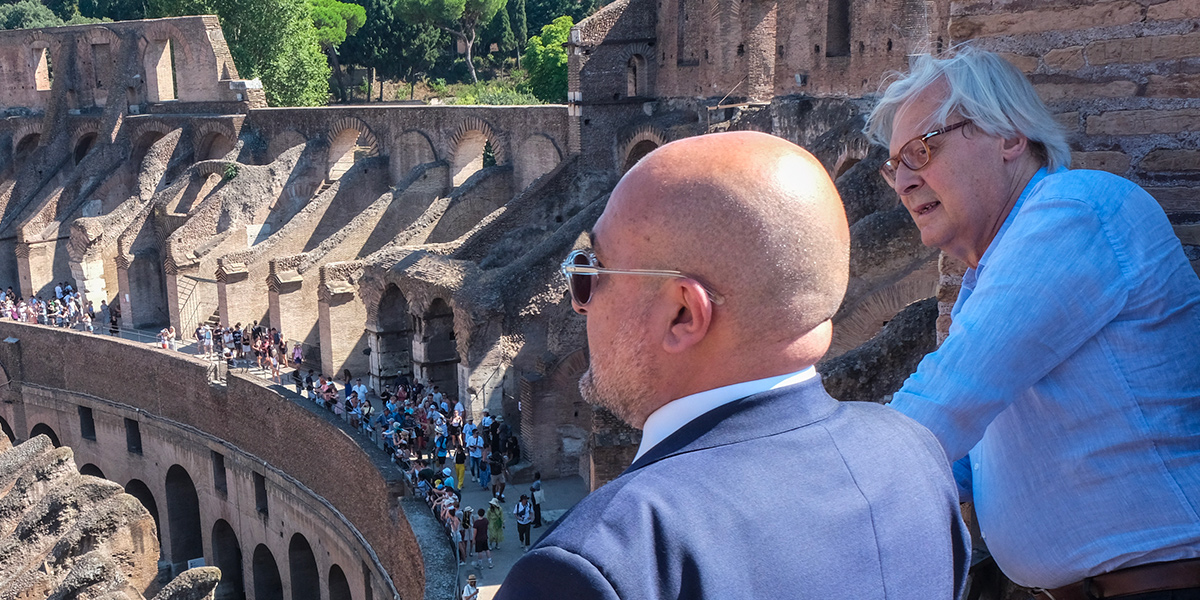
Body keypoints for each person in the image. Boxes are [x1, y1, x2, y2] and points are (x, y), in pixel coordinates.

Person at [493, 131, 968, 600]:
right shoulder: (915, 456)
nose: (580, 304)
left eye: (589, 273)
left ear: (683, 314)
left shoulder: (599, 566)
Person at [863, 47, 1200, 597]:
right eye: (893, 165)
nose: (902, 181)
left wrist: (810, 486)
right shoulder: (989, 276)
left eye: (921, 152)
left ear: (1010, 137)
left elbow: (945, 401)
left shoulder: (1075, 210)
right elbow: (960, 462)